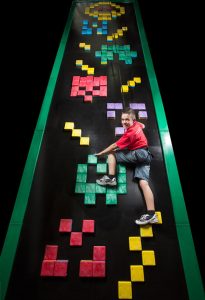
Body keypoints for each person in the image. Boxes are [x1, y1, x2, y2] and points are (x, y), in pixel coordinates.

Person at [95, 107, 158, 225]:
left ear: (132, 120)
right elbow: (142, 126)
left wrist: (102, 153)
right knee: (143, 183)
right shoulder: (137, 124)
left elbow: (114, 145)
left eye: (127, 120)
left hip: (139, 153)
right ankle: (151, 214)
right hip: (146, 156)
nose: (124, 122)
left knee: (111, 154)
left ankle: (111, 178)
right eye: (122, 119)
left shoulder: (130, 132)